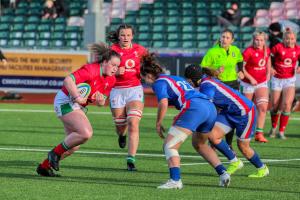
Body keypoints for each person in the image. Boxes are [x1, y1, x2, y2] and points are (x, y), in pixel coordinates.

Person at [141, 53, 231, 189]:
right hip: (209, 107)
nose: (143, 80)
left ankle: (175, 180)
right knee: (199, 144)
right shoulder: (174, 78)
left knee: (170, 146)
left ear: (148, 76)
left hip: (195, 107)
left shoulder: (158, 83)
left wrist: (158, 123)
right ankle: (223, 173)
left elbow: (163, 103)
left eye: (143, 78)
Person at [36, 43, 120, 176]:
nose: (115, 68)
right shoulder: (91, 69)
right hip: (65, 101)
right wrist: (77, 96)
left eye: (117, 66)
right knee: (85, 133)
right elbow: (68, 80)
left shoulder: (111, 79)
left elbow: (101, 101)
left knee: (73, 145)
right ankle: (54, 153)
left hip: (77, 106)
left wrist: (100, 102)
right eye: (113, 65)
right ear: (104, 62)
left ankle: (44, 167)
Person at [184, 64, 270, 178]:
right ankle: (235, 162)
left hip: (245, 112)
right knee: (212, 135)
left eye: (188, 80)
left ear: (192, 79)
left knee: (243, 147)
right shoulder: (205, 81)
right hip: (230, 112)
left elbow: (206, 105)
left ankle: (262, 168)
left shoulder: (207, 85)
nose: (188, 83)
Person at [107, 24, 147, 171]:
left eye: (128, 35)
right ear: (118, 36)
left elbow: (149, 66)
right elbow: (104, 70)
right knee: (120, 127)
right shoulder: (112, 50)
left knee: (133, 122)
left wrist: (147, 73)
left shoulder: (140, 50)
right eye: (123, 35)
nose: (125, 38)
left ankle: (131, 159)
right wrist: (116, 72)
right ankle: (121, 135)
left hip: (134, 89)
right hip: (117, 90)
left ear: (132, 36)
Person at [200, 28, 243, 151]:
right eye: (223, 37)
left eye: (227, 37)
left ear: (232, 40)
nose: (224, 39)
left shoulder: (235, 50)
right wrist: (215, 71)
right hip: (218, 85)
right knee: (215, 114)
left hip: (233, 85)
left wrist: (240, 70)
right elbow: (202, 68)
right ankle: (213, 142)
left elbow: (240, 60)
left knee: (232, 114)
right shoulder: (212, 52)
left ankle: (229, 144)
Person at [269, 28, 300, 139]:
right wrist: (271, 68)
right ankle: (273, 127)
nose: (289, 41)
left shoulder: (298, 49)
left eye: (292, 39)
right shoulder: (277, 47)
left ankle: (281, 131)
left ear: (295, 39)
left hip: (289, 80)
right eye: (287, 38)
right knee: (274, 106)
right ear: (283, 39)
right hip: (277, 79)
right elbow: (269, 58)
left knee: (287, 104)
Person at [240, 32, 271, 143]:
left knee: (263, 107)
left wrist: (268, 73)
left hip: (261, 83)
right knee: (246, 109)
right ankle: (243, 131)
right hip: (248, 83)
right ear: (253, 40)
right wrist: (251, 78)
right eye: (257, 40)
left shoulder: (266, 50)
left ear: (264, 41)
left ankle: (259, 133)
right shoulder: (248, 51)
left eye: (261, 40)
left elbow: (268, 60)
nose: (259, 42)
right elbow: (241, 68)